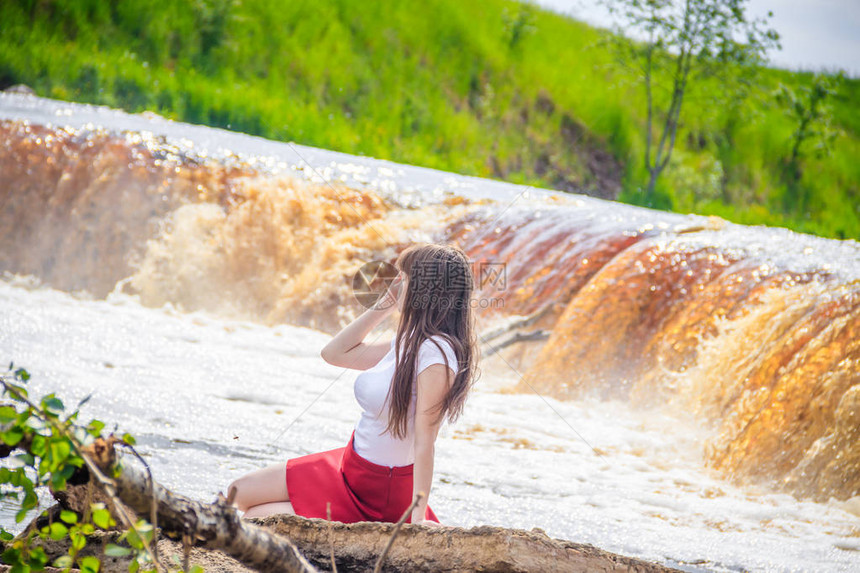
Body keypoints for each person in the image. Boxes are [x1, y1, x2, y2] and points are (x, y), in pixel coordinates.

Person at [227, 243, 480, 526]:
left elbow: (425, 441)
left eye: (403, 278)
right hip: (348, 467)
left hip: (378, 490)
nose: (395, 285)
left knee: (253, 518)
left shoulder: (436, 354)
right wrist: (383, 305)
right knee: (238, 493)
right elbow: (334, 353)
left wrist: (418, 518)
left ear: (424, 288)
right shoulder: (408, 342)